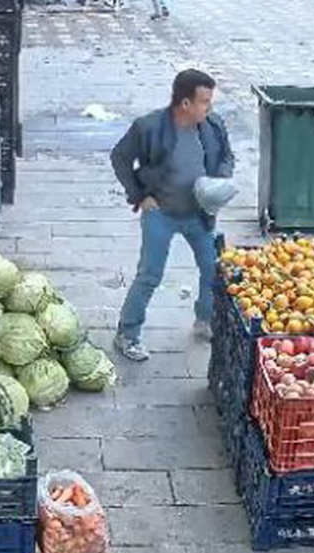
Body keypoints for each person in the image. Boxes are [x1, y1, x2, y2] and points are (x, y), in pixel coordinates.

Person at [109, 69, 235, 362]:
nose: (210, 107)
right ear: (185, 103)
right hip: (161, 213)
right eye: (204, 101)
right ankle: (127, 333)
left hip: (199, 214)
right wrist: (141, 195)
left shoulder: (213, 126)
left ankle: (205, 320)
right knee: (150, 274)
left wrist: (220, 181)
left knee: (213, 268)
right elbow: (120, 157)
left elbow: (227, 156)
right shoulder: (150, 127)